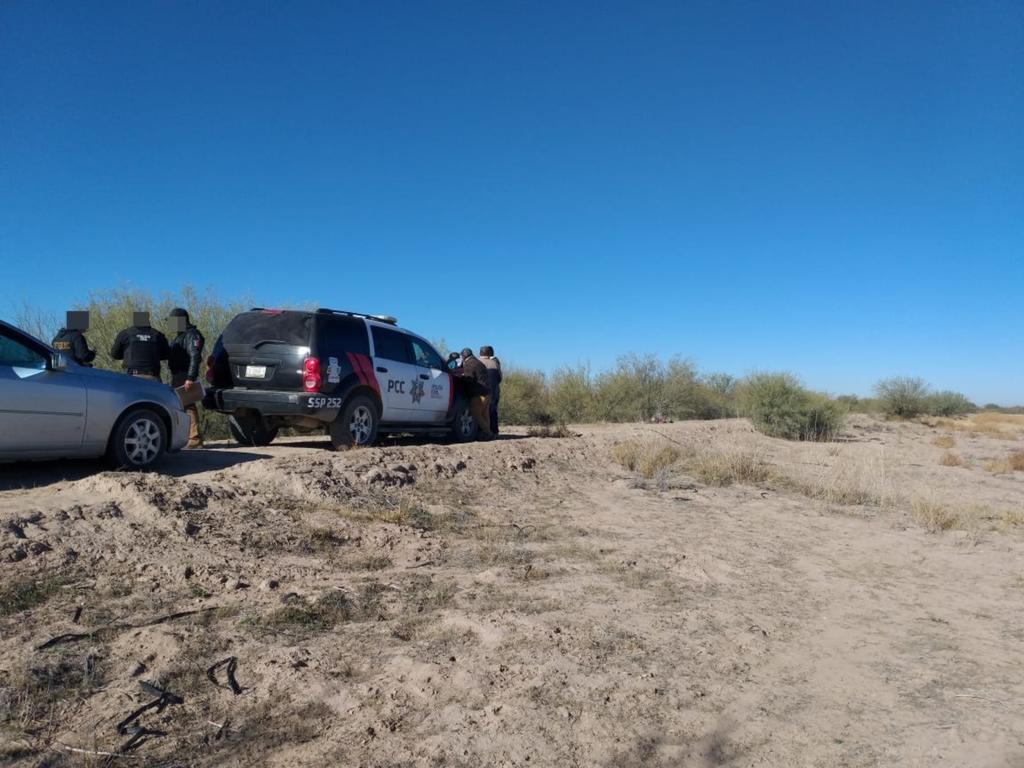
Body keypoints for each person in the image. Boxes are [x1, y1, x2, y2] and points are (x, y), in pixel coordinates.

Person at [167, 307, 205, 448]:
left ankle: (194, 438)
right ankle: (185, 437)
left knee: (188, 405)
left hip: (184, 374)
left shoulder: (192, 335)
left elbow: (195, 357)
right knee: (180, 406)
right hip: (178, 374)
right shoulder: (180, 335)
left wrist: (190, 377)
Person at [110, 312, 169, 382]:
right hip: (153, 378)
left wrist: (126, 354)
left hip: (131, 378)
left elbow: (114, 354)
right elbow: (167, 354)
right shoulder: (158, 335)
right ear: (148, 320)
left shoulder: (125, 334)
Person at [459, 347, 493, 439]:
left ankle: (488, 434)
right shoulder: (479, 362)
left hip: (478, 394)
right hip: (488, 392)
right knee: (485, 414)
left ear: (464, 356)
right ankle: (487, 434)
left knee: (476, 415)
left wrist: (461, 378)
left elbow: (468, 379)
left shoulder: (469, 364)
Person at [479, 345, 502, 435]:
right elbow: (499, 378)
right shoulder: (495, 363)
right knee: (492, 411)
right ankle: (494, 431)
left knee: (480, 412)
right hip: (494, 390)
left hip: (480, 391)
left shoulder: (477, 362)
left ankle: (482, 431)